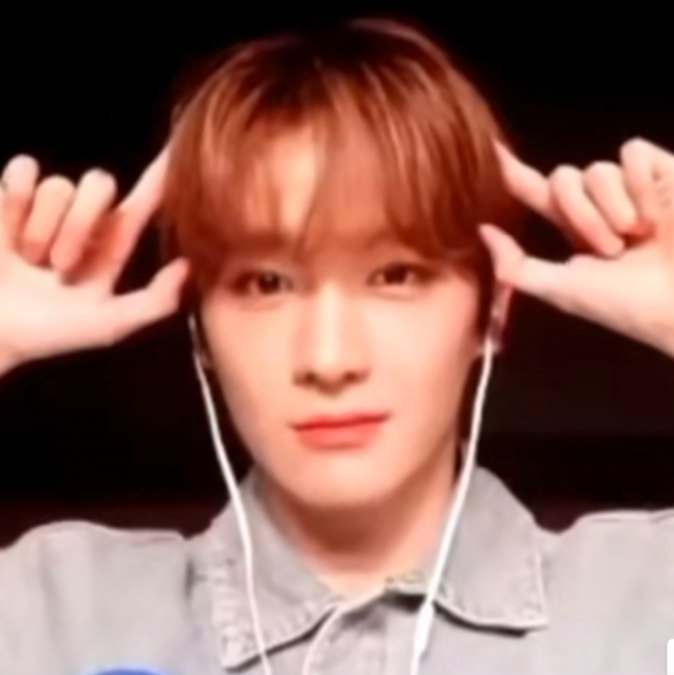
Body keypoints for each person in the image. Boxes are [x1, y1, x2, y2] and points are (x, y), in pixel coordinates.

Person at [0, 15, 673, 675]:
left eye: (396, 275)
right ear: (199, 328)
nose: (330, 360)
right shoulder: (55, 614)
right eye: (266, 283)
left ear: (492, 309)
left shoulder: (645, 600)